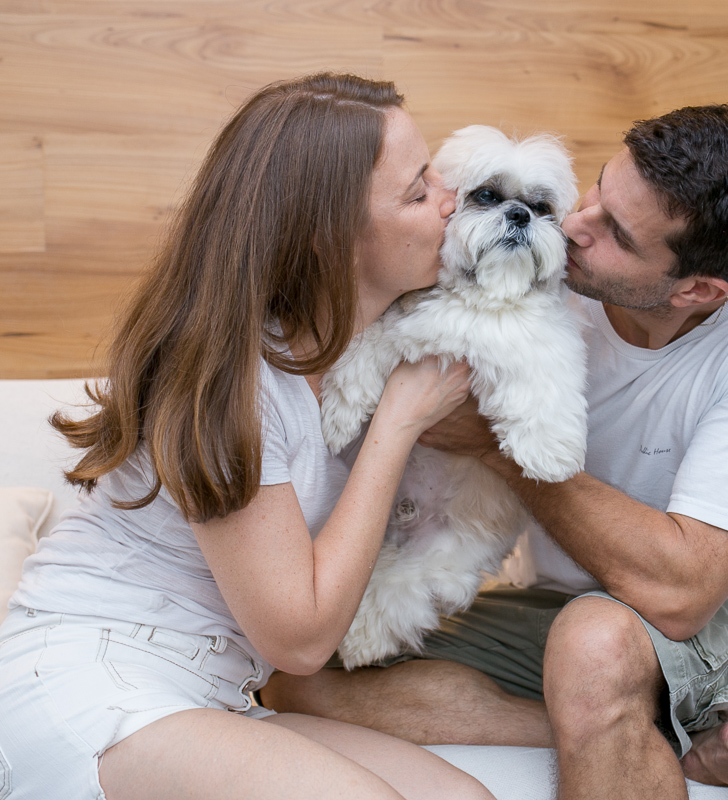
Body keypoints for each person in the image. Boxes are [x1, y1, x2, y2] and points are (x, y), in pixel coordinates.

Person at [263, 105, 728, 800]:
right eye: (597, 190)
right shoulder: (542, 263)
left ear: (695, 291)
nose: (574, 225)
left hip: (725, 616)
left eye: (617, 235)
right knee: (298, 677)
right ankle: (678, 739)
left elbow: (684, 595)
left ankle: (638, 708)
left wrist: (490, 445)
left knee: (593, 640)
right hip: (555, 603)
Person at [0, 73, 497, 800]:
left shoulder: (357, 350)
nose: (452, 201)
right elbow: (297, 642)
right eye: (418, 192)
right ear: (331, 238)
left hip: (209, 690)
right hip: (89, 677)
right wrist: (398, 423)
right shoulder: (232, 378)